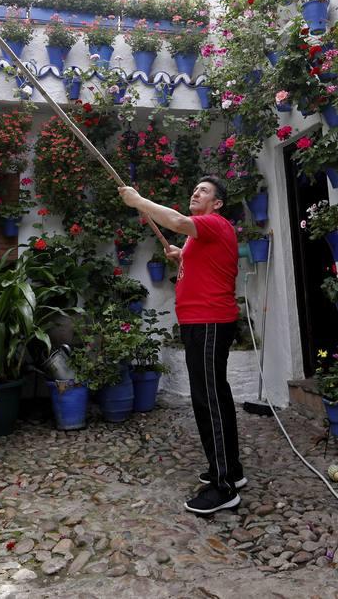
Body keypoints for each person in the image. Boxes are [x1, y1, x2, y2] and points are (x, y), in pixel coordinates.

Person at [118, 176, 243, 515]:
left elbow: (175, 221)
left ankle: (223, 486)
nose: (195, 192)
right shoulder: (200, 238)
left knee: (208, 399)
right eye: (195, 188)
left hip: (209, 322)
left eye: (203, 190)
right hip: (201, 323)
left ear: (217, 203)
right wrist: (180, 256)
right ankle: (230, 469)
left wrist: (139, 201)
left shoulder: (214, 224)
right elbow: (202, 265)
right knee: (215, 395)